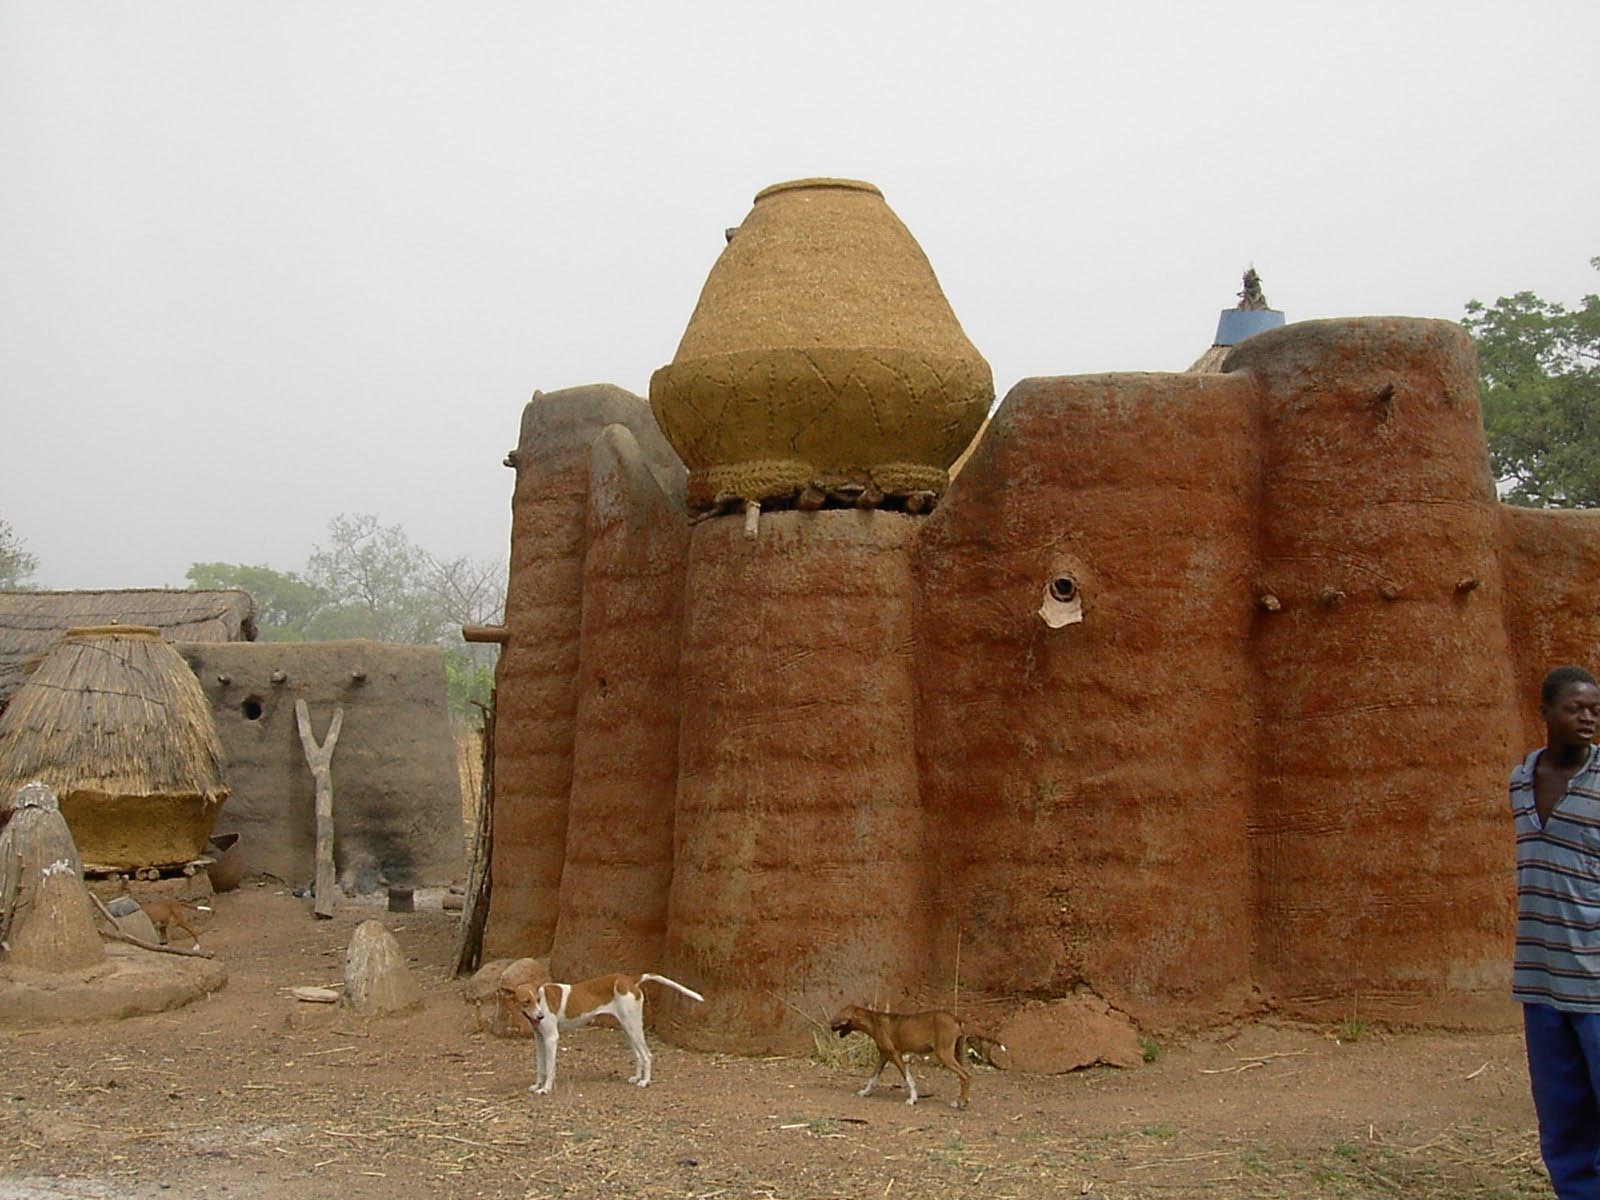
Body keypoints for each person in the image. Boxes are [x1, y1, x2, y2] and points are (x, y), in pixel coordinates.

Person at [1512, 665, 1600, 1197]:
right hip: (1540, 981)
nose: (1588, 718)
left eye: (1594, 710)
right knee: (1563, 1119)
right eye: (1575, 708)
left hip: (1596, 982)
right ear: (1544, 712)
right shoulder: (1519, 780)